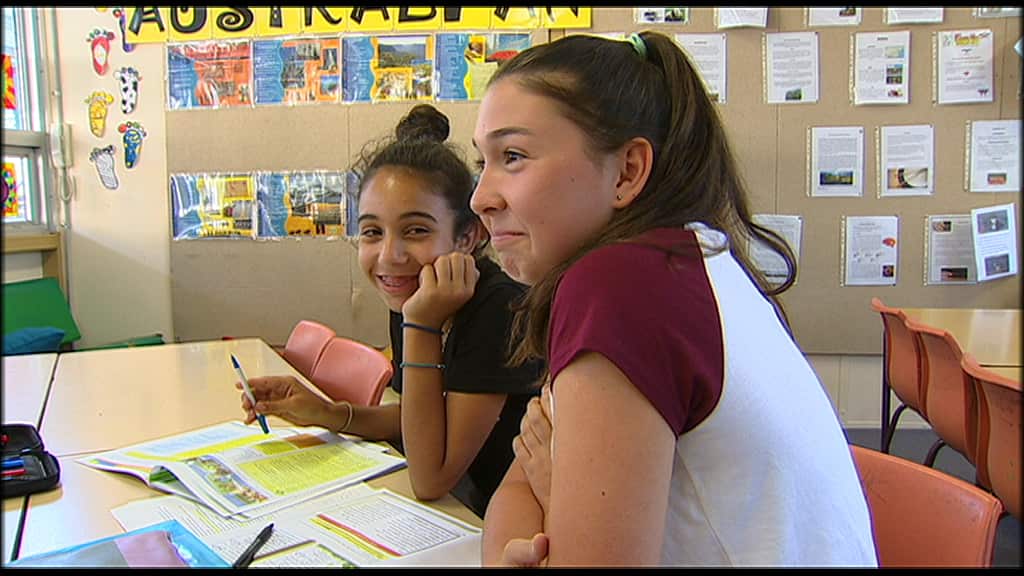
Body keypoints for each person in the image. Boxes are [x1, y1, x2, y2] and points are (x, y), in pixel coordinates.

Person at [470, 32, 877, 566]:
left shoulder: (621, 286)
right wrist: (548, 505)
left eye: (514, 156)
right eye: (483, 161)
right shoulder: (686, 256)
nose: (480, 198)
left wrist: (560, 497)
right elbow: (519, 479)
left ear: (628, 171)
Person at [239, 104, 543, 518]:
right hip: (463, 513)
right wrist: (327, 413)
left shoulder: (496, 307)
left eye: (416, 230)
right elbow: (424, 417)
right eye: (372, 232)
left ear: (467, 236)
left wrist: (421, 324)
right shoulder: (416, 290)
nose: (389, 255)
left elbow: (431, 477)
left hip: (505, 526)